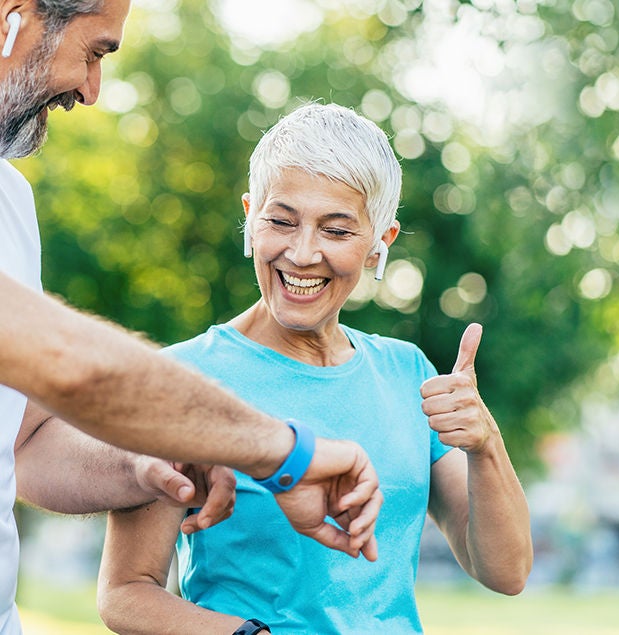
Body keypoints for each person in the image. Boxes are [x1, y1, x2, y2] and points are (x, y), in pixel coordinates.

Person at [0, 2, 385, 632]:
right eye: (95, 52)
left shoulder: (9, 197)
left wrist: (144, 465)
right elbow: (67, 363)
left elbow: (28, 443)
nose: (92, 92)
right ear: (12, 19)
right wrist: (282, 453)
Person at [97, 103, 533, 634]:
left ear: (380, 243)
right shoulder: (180, 379)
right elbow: (125, 593)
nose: (302, 254)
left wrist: (485, 443)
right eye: (281, 221)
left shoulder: (408, 373)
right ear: (250, 217)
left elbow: (506, 570)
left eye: (337, 230)